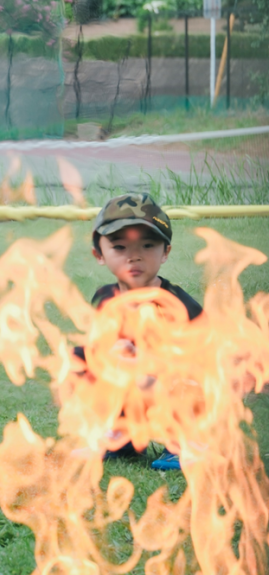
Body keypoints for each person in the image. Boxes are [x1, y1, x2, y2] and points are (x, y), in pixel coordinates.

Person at [85, 192, 201, 471]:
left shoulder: (179, 305)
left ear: (166, 253)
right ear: (99, 255)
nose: (134, 256)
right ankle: (121, 436)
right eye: (120, 247)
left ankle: (183, 443)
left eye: (148, 245)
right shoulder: (104, 299)